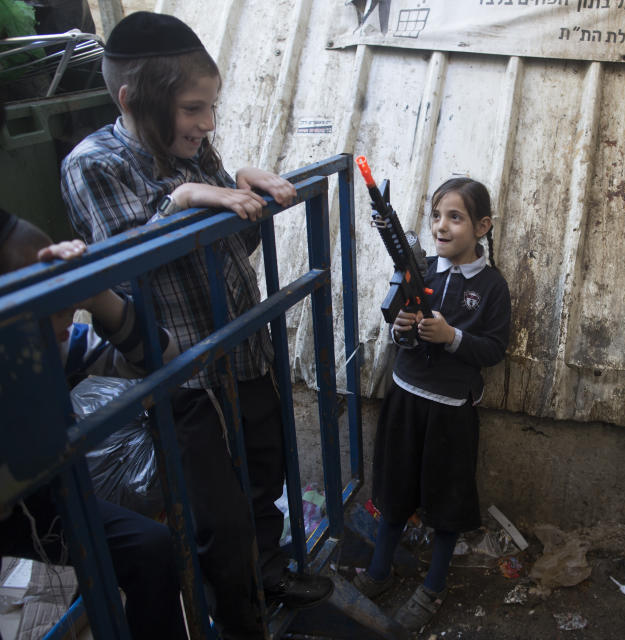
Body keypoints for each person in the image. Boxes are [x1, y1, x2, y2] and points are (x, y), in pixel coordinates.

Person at [59, 11, 329, 639]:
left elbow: (228, 250)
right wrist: (181, 201)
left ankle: (268, 572)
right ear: (133, 99)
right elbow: (127, 275)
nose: (207, 124)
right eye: (192, 109)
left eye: (210, 108)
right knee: (218, 516)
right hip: (182, 371)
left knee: (268, 468)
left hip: (242, 346)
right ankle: (240, 621)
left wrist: (244, 194)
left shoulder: (192, 145)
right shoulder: (93, 164)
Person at [0, 210, 187, 640]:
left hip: (34, 501)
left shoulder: (56, 346)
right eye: (44, 293)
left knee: (152, 548)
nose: (65, 304)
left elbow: (162, 356)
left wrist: (97, 294)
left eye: (61, 286)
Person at [353, 178, 511, 631]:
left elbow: (493, 350)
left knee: (445, 502)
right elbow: (400, 334)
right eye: (437, 215)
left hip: (450, 411)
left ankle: (433, 586)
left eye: (455, 217)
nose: (442, 226)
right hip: (404, 398)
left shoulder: (493, 288)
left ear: (481, 226)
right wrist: (403, 327)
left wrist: (451, 337)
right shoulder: (421, 268)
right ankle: (380, 573)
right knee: (394, 491)